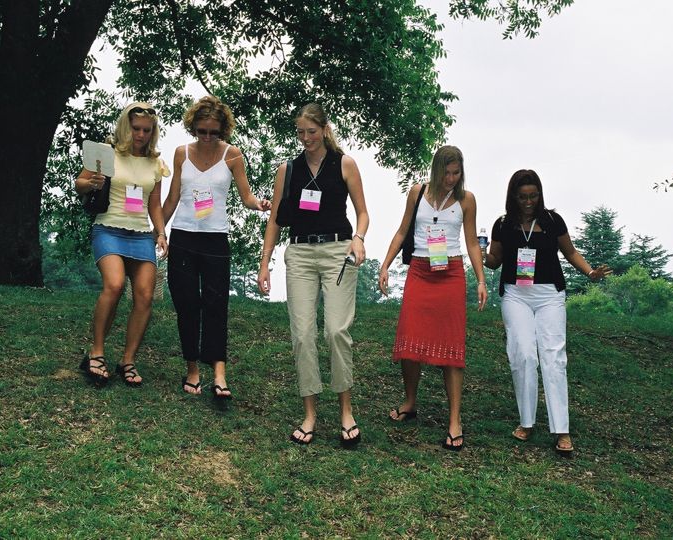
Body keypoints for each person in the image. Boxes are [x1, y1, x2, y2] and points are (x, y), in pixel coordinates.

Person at [257, 103, 369, 447]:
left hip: (338, 251)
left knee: (335, 330)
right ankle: (309, 414)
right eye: (300, 133)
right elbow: (275, 220)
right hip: (301, 254)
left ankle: (346, 411)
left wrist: (359, 239)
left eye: (311, 131)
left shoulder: (344, 163)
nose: (306, 138)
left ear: (324, 129)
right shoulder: (288, 170)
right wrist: (265, 263)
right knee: (302, 335)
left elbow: (363, 213)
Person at [484, 169, 611, 454]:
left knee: (554, 356)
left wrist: (590, 272)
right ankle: (526, 422)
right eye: (523, 197)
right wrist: (480, 253)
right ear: (513, 197)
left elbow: (571, 252)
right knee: (523, 353)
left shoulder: (553, 221)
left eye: (534, 195)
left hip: (549, 295)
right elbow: (495, 261)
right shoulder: (503, 224)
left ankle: (562, 429)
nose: (529, 201)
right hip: (516, 294)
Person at [378, 145, 486, 451]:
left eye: (457, 173)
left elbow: (471, 243)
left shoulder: (466, 200)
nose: (451, 178)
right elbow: (402, 232)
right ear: (436, 170)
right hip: (420, 272)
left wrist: (480, 280)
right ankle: (410, 401)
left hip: (450, 273)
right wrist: (385, 265)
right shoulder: (417, 193)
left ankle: (455, 420)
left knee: (452, 346)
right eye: (447, 172)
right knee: (410, 340)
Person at [162, 96, 270, 398]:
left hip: (215, 238)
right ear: (193, 128)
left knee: (215, 304)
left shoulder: (233, 155)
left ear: (223, 130)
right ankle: (193, 369)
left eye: (214, 132)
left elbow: (246, 195)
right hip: (183, 235)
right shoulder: (181, 153)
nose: (207, 137)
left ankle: (219, 373)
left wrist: (259, 204)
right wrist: (158, 230)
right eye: (202, 131)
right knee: (186, 305)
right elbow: (171, 199)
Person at [75, 102, 170, 387]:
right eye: (135, 128)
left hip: (140, 233)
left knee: (144, 296)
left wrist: (161, 233)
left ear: (152, 132)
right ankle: (97, 352)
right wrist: (90, 183)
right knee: (114, 285)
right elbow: (79, 183)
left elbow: (154, 203)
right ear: (125, 127)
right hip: (108, 228)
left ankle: (128, 360)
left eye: (146, 130)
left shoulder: (155, 163)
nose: (140, 134)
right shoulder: (107, 153)